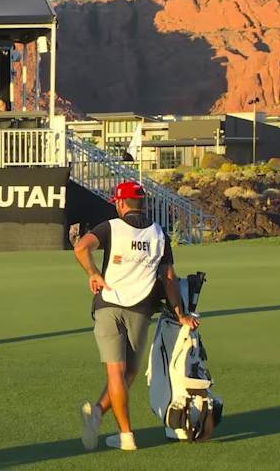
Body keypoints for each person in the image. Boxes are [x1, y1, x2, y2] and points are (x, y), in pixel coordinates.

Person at [74, 181, 199, 451]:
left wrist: (93, 273)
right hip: (140, 311)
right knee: (127, 373)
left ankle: (123, 434)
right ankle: (102, 417)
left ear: (120, 203)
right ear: (143, 204)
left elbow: (81, 248)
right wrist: (181, 314)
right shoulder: (158, 233)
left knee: (119, 373)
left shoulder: (111, 226)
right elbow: (169, 278)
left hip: (108, 305)